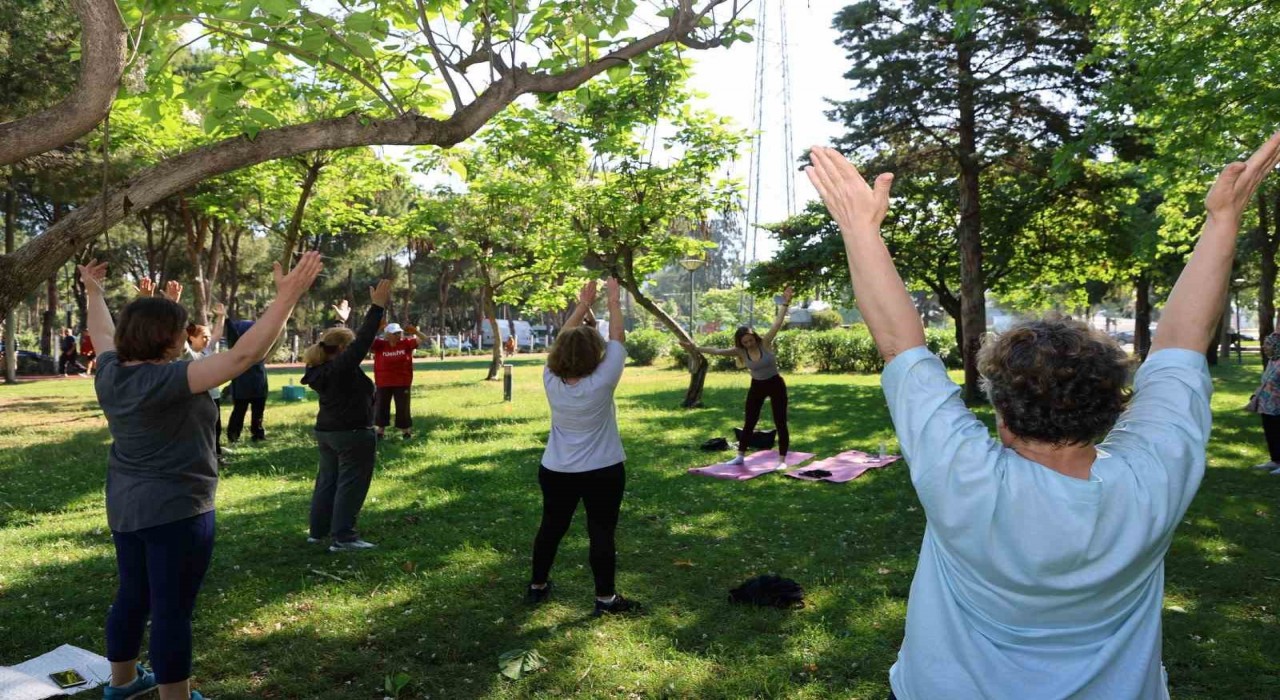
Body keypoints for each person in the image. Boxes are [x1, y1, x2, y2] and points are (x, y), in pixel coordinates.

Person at [804, 133, 1280, 700]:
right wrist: (1223, 222)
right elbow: (1182, 342)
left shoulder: (964, 477)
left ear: (1002, 413)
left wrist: (859, 229)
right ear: (1114, 406)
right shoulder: (1155, 477)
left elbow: (898, 344)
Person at [81, 252, 322, 700]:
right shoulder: (173, 379)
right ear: (170, 340)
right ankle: (175, 696)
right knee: (172, 609)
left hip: (126, 508)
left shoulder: (110, 372)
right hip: (177, 511)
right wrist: (288, 295)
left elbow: (101, 332)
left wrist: (94, 291)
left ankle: (124, 684)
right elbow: (246, 354)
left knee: (132, 595)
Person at [527, 279, 639, 616]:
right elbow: (617, 339)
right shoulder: (603, 380)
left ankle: (537, 586)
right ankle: (605, 599)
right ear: (596, 355)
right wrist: (614, 302)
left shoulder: (549, 377)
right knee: (601, 532)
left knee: (551, 527)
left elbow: (564, 338)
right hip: (602, 471)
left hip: (556, 471)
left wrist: (581, 305)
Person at [300, 281, 392, 551]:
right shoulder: (341, 366)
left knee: (327, 481)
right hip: (351, 433)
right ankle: (344, 537)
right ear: (343, 350)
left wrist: (341, 321)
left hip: (327, 432)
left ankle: (318, 531)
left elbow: (331, 340)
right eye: (349, 347)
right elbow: (362, 341)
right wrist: (376, 307)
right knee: (351, 485)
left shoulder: (321, 366)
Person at [681, 286, 795, 471]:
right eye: (745, 342)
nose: (749, 344)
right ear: (740, 343)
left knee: (780, 421)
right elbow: (716, 351)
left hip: (775, 384)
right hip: (757, 386)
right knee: (750, 421)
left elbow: (777, 323)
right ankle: (740, 456)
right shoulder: (740, 351)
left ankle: (782, 460)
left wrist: (785, 303)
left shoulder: (765, 343)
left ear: (754, 336)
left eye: (750, 340)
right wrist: (694, 348)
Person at [371, 321, 429, 440]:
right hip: (383, 382)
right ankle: (380, 432)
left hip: (402, 382)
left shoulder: (406, 343)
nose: (398, 335)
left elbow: (424, 338)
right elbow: (365, 341)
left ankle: (406, 432)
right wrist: (376, 329)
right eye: (395, 333)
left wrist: (416, 332)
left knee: (403, 408)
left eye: (399, 332)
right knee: (381, 407)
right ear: (387, 335)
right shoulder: (379, 344)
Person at [185, 302, 228, 461]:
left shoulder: (207, 350)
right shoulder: (187, 354)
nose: (208, 339)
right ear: (191, 338)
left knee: (215, 426)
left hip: (213, 397)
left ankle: (216, 455)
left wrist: (221, 317)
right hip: (196, 398)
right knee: (199, 429)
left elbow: (217, 333)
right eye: (204, 336)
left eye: (208, 337)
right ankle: (201, 457)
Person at [224, 313, 269, 443]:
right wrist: (226, 319)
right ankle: (233, 436)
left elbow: (271, 331)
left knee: (258, 413)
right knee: (239, 412)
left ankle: (258, 434)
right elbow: (233, 335)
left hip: (258, 384)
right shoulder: (238, 347)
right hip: (242, 385)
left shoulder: (261, 344)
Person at [1250, 326, 1280, 475]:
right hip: (1267, 405)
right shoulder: (1272, 361)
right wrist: (1256, 396)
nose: (1264, 347)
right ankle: (1275, 460)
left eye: (1268, 344)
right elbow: (1265, 381)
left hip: (1278, 404)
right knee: (1271, 433)